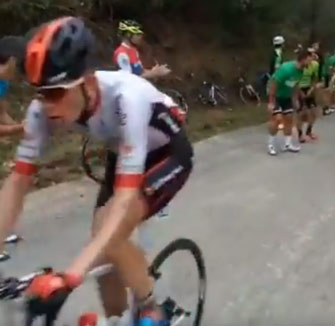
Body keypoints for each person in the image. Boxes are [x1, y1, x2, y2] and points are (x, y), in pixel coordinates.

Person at [0, 17, 193, 325]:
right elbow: (18, 181)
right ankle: (116, 319)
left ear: (88, 82)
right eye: (39, 93)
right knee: (102, 251)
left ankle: (151, 308)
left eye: (55, 93)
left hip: (169, 154)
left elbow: (125, 199)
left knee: (108, 230)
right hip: (125, 154)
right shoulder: (41, 110)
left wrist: (71, 277)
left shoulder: (126, 97)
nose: (47, 105)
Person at [266, 50, 313, 156]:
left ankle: (287, 144)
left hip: (287, 97)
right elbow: (274, 84)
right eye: (309, 60)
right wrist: (271, 102)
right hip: (276, 96)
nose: (310, 63)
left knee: (289, 119)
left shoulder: (301, 71)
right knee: (277, 119)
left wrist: (295, 100)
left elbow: (295, 86)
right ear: (303, 59)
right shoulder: (286, 68)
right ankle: (271, 145)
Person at [0, 36, 25, 137]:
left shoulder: (3, 83)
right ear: (12, 61)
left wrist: (21, 128)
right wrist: (17, 129)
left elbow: (1, 114)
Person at [296, 48, 320, 143]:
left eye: (314, 55)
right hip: (299, 88)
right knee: (301, 113)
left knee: (314, 112)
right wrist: (300, 93)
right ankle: (300, 134)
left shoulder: (315, 65)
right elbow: (295, 81)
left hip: (309, 87)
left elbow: (315, 78)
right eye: (311, 55)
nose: (313, 57)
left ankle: (309, 131)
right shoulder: (299, 66)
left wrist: (312, 89)